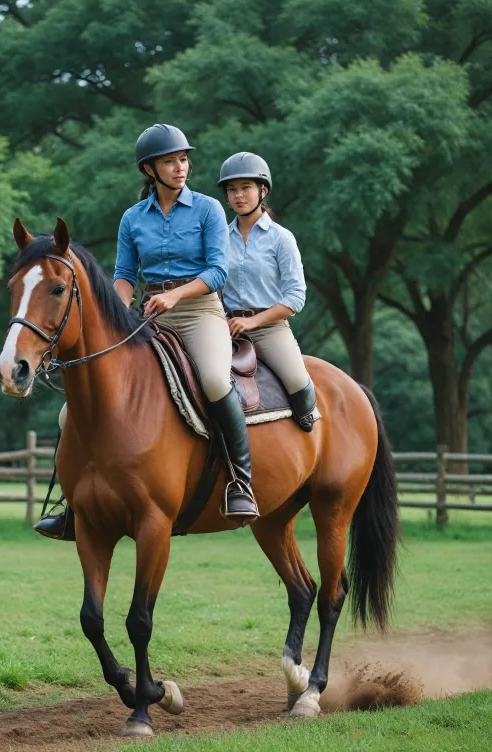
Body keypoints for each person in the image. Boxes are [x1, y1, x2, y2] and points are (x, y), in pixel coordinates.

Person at [35, 125, 259, 541]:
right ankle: (71, 502)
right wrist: (115, 309)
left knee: (214, 379)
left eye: (184, 159)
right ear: (149, 169)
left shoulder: (209, 209)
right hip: (147, 315)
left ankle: (240, 482)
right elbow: (123, 275)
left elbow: (218, 270)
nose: (181, 167)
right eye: (171, 161)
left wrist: (175, 297)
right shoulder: (133, 218)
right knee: (73, 410)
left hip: (199, 312)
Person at [219, 152, 318, 432]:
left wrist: (252, 321)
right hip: (225, 328)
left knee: (297, 379)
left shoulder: (281, 238)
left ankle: (307, 427)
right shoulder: (218, 239)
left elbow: (296, 297)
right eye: (232, 189)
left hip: (269, 329)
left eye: (246, 188)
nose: (239, 195)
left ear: (263, 191)